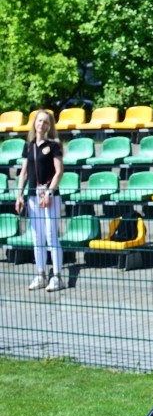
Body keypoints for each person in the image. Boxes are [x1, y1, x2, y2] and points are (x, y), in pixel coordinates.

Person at [14, 110, 65, 292]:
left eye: (45, 122)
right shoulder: (29, 146)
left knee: (52, 235)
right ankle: (41, 274)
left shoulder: (54, 145)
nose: (41, 124)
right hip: (33, 196)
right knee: (38, 238)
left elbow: (59, 172)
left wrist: (49, 192)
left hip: (50, 196)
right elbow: (24, 173)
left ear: (49, 126)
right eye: (39, 121)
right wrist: (19, 195)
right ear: (34, 123)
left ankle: (58, 276)